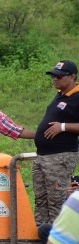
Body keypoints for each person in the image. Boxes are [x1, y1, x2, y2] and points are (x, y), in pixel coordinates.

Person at [31, 60, 79, 226]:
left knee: (56, 200)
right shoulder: (61, 94)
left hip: (60, 157)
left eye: (59, 76)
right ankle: (42, 237)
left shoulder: (77, 96)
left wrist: (63, 127)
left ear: (72, 76)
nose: (55, 79)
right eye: (53, 76)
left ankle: (59, 241)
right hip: (43, 156)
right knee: (41, 199)